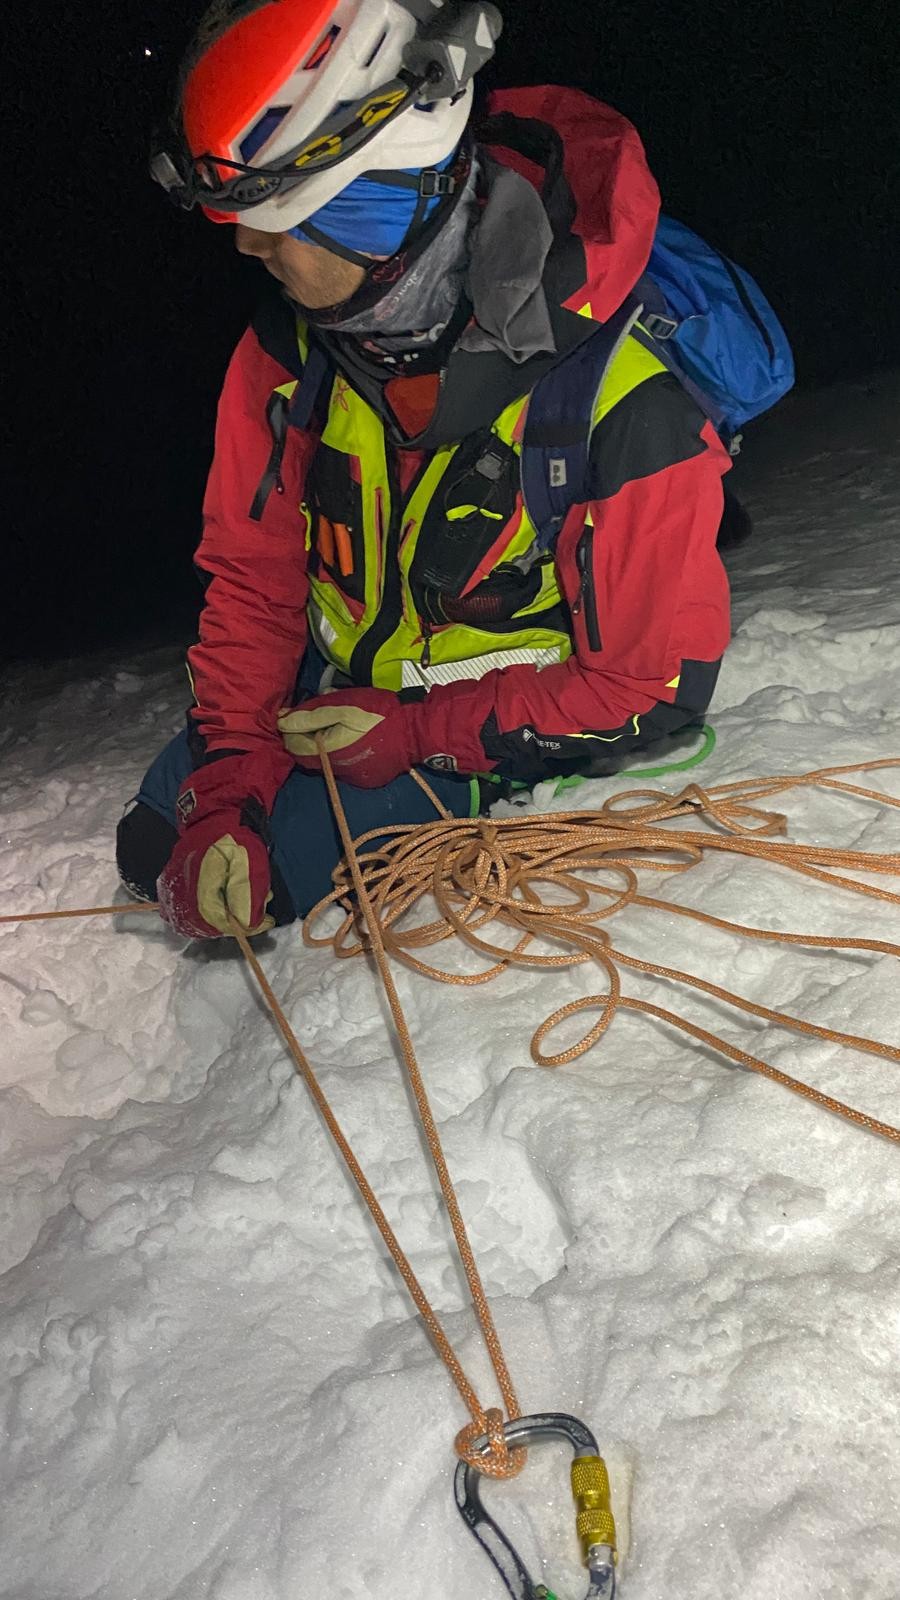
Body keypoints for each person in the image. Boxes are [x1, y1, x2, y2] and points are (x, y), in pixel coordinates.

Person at [118, 0, 732, 940]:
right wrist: (234, 771)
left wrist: (410, 731)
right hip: (334, 696)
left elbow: (646, 690)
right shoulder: (289, 353)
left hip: (497, 728)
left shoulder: (627, 400)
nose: (245, 247)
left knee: (260, 891)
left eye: (274, 219)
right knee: (155, 843)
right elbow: (256, 578)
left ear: (374, 210)